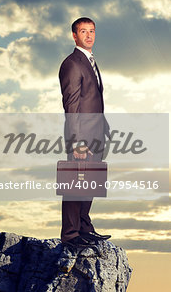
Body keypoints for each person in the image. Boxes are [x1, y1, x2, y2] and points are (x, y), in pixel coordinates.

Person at [59, 17, 111, 248]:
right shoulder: (72, 63)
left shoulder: (90, 60)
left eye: (92, 31)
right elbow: (71, 105)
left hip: (96, 133)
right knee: (75, 184)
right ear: (74, 35)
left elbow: (93, 98)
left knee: (91, 183)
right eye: (83, 31)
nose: (89, 36)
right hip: (81, 135)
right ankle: (71, 235)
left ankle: (84, 228)